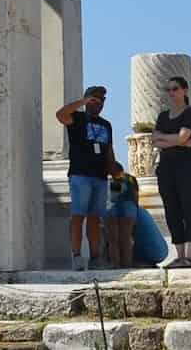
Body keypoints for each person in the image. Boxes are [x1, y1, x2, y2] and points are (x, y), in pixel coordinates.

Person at [54, 85, 114, 268]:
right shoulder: (78, 118)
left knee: (95, 218)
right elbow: (60, 115)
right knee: (78, 216)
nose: (99, 103)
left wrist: (114, 168)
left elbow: (109, 150)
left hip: (100, 176)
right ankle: (77, 256)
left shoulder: (106, 125)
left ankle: (95, 257)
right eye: (95, 99)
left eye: (102, 100)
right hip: (80, 174)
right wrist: (82, 102)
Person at [149, 75, 191, 268]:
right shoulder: (163, 116)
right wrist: (177, 140)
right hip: (166, 169)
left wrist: (168, 139)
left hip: (186, 169)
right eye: (169, 89)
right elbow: (155, 139)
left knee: (188, 209)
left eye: (175, 89)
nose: (171, 92)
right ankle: (179, 256)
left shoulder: (190, 113)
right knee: (171, 211)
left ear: (184, 90)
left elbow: (183, 137)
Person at [104, 159, 143, 268]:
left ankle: (115, 266)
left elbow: (113, 198)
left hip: (112, 207)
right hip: (129, 208)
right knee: (126, 238)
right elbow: (135, 197)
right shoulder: (130, 179)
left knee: (113, 239)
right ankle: (127, 266)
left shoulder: (111, 180)